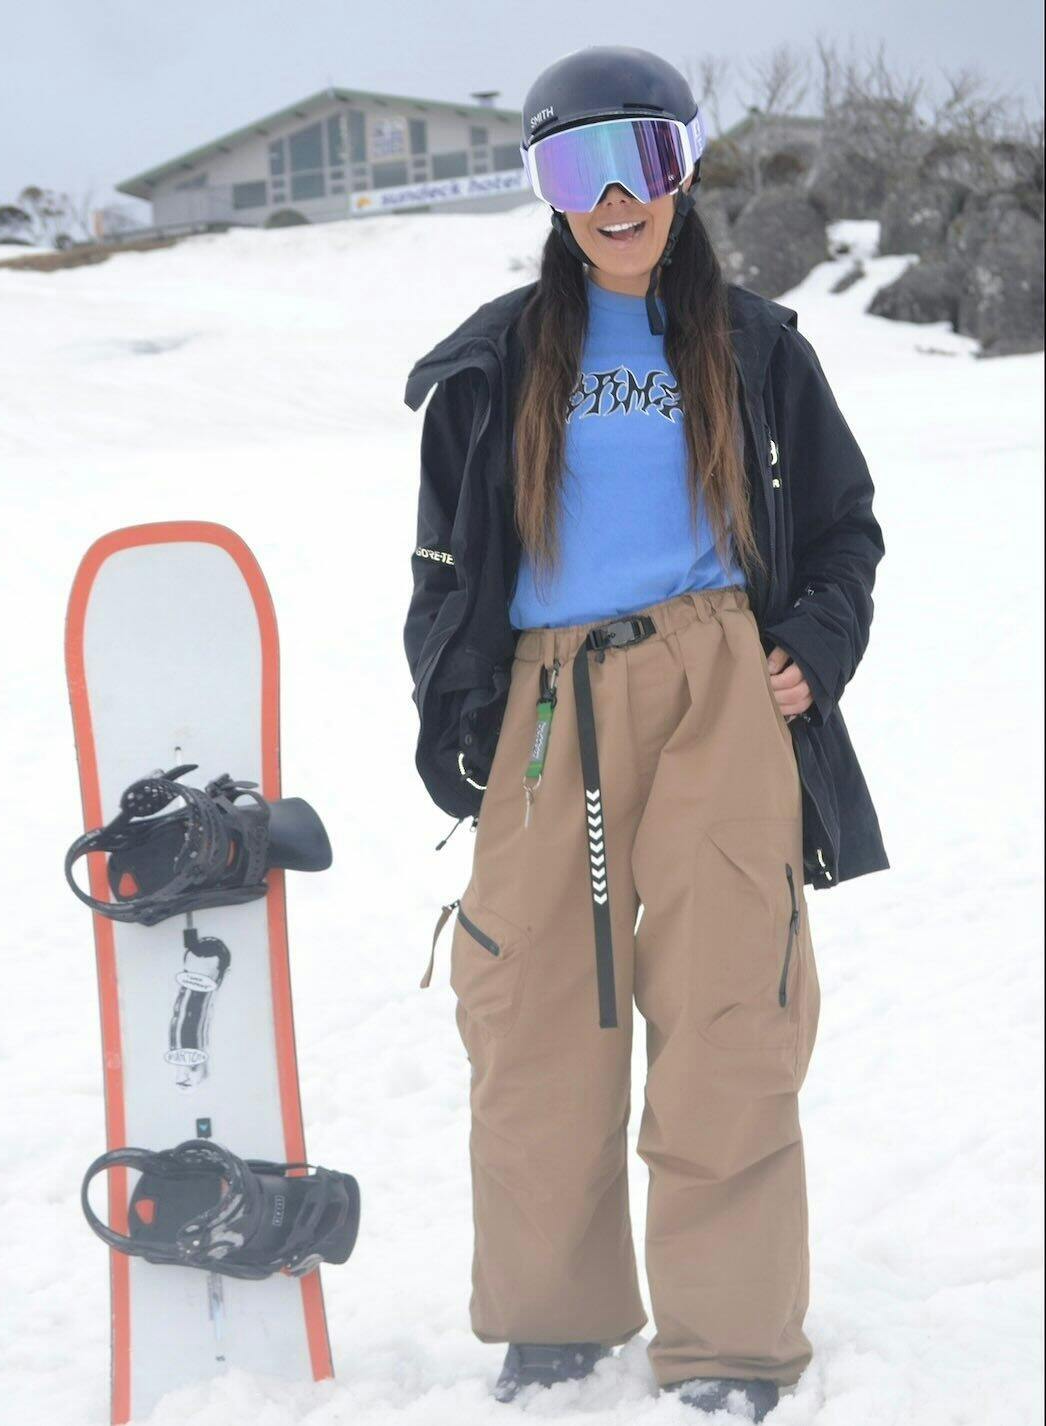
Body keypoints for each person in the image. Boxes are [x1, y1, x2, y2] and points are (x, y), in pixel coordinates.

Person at [403, 44, 887, 1420]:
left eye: (645, 160)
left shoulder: (756, 346)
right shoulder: (495, 361)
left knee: (731, 1006)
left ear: (686, 167)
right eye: (578, 167)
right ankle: (553, 1320)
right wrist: (459, 713)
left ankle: (730, 1339)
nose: (616, 199)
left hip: (712, 681)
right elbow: (441, 566)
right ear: (545, 191)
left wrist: (810, 651)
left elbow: (843, 529)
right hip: (547, 699)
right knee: (531, 1010)